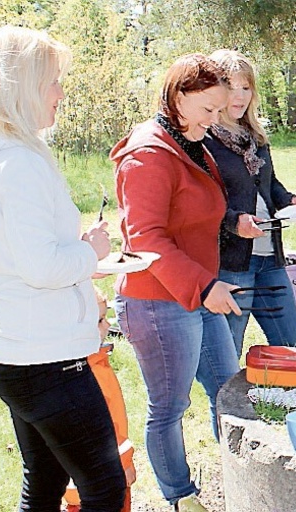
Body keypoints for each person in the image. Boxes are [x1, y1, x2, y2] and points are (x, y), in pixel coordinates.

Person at [0, 26, 126, 510]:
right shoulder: (16, 163)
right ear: (19, 87)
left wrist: (80, 252)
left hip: (19, 351)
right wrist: (93, 252)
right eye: (52, 81)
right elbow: (42, 267)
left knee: (43, 481)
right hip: (46, 359)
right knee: (104, 487)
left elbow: (27, 254)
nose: (61, 93)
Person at [110, 53, 242, 512]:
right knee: (169, 406)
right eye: (207, 108)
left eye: (219, 109)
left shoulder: (190, 141)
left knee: (227, 386)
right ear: (178, 98)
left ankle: (239, 475)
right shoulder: (148, 153)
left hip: (198, 292)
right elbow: (145, 236)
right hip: (157, 300)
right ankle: (180, 496)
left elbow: (194, 213)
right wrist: (204, 287)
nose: (215, 118)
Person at [204, 49, 296, 357]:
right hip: (232, 264)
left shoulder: (256, 135)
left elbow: (269, 185)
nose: (240, 95)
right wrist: (235, 222)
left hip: (270, 257)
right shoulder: (204, 140)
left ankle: (290, 401)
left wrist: (290, 200)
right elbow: (205, 204)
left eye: (246, 87)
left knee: (292, 347)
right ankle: (226, 406)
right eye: (231, 86)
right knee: (228, 353)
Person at [64, 292, 137, 512]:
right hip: (103, 480)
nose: (107, 325)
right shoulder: (89, 374)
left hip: (81, 484)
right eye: (99, 321)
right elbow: (107, 428)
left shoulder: (80, 365)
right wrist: (124, 464)